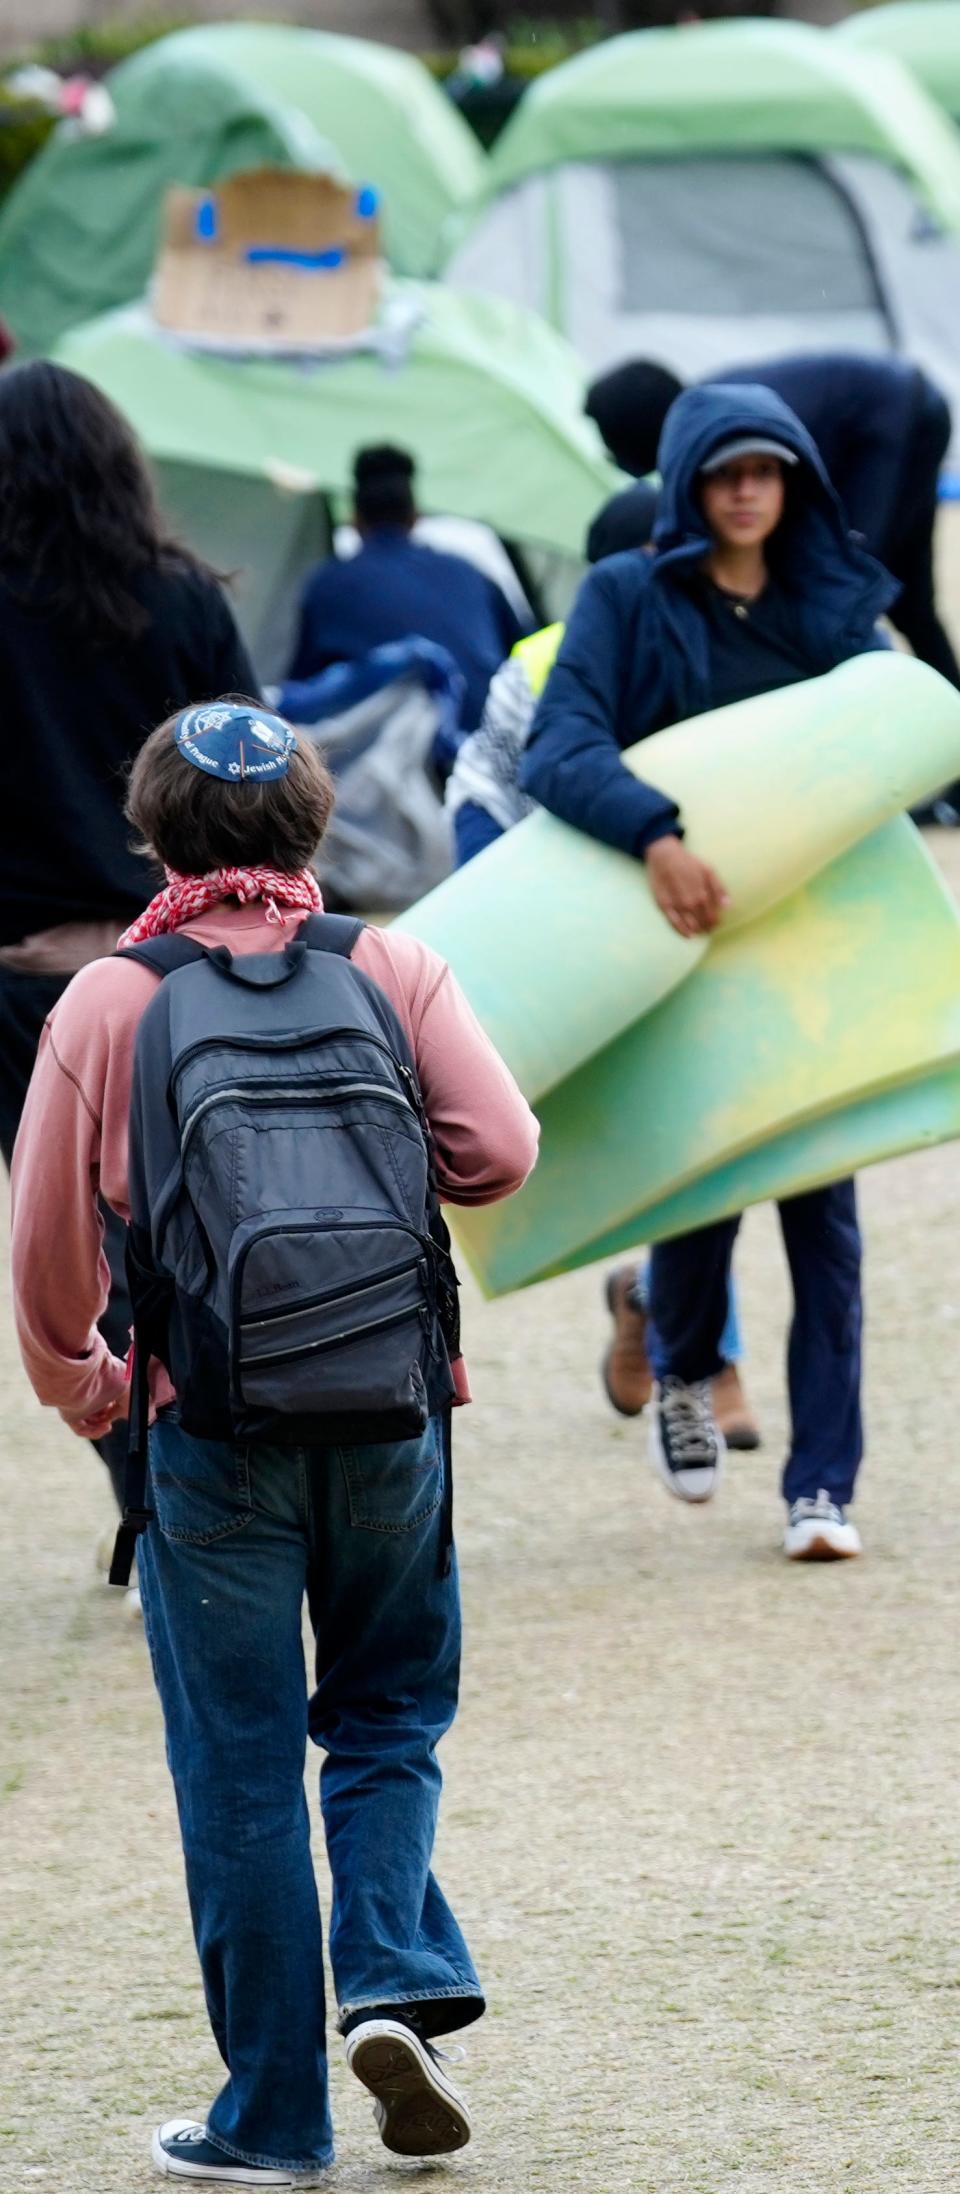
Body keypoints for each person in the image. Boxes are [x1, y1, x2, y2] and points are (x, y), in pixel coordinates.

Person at [10, 701, 538, 2183]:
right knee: (383, 1719)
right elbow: (499, 1150)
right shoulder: (391, 965)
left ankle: (274, 2117)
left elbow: (48, 1250)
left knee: (239, 1766)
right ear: (307, 826)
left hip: (208, 1430)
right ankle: (387, 1981)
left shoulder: (112, 1001)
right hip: (392, 1412)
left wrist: (88, 1382)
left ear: (154, 831)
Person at [523, 382, 898, 1561]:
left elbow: (894, 729)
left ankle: (821, 1486)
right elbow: (560, 744)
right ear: (687, 480)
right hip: (678, 942)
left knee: (824, 1214)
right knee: (705, 1190)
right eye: (726, 470)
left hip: (809, 944)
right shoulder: (628, 596)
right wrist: (659, 835)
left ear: (796, 484)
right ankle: (682, 1369)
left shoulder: (830, 602)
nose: (747, 490)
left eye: (769, 471)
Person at [445, 490, 760, 1452]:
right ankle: (659, 1302)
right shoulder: (547, 665)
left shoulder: (704, 648)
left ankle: (701, 1349)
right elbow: (480, 792)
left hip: (675, 918)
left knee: (699, 1138)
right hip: (571, 944)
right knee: (644, 1143)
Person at [0, 359, 256, 1524]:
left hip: (28, 976)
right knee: (201, 1219)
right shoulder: (188, 601)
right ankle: (230, 1454)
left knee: (70, 1239)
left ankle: (147, 1483)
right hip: (189, 964)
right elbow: (260, 771)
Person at [585, 352, 960, 695]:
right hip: (907, 403)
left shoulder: (723, 427)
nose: (744, 488)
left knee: (846, 583)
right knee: (907, 602)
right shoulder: (705, 418)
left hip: (897, 415)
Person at [287, 444, 528, 734]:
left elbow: (306, 695)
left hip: (392, 760)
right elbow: (522, 653)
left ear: (356, 519)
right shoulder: (470, 573)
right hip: (486, 743)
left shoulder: (327, 586)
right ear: (415, 515)